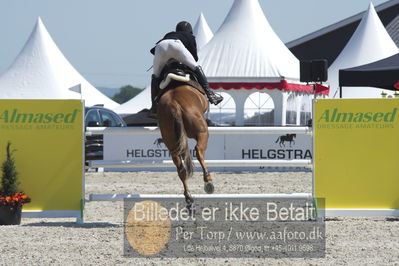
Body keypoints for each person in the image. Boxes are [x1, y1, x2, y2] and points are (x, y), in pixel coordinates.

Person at [149, 21, 223, 116]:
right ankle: (211, 95)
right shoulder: (190, 36)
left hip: (160, 47)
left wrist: (164, 60)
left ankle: (154, 106)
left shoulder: (169, 34)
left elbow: (153, 50)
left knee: (155, 76)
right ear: (190, 31)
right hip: (176, 46)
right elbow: (195, 57)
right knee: (196, 67)